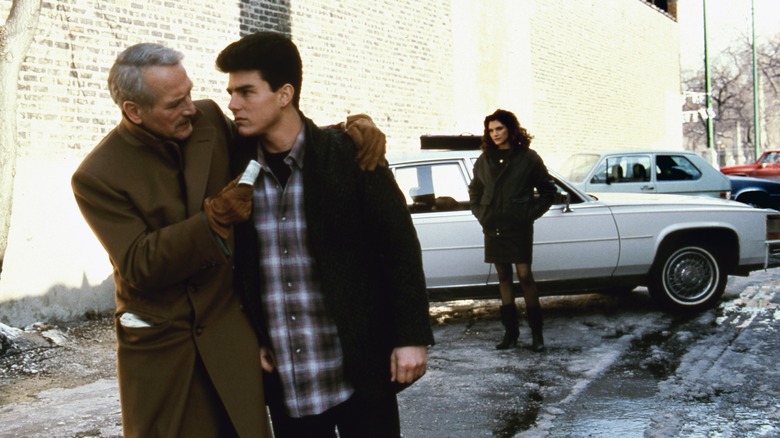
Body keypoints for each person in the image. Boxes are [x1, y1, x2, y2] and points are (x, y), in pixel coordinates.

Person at [71, 43, 386, 437]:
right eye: (175, 103)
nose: (191, 106)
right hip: (165, 347)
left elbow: (276, 137)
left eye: (189, 93)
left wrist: (348, 132)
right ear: (134, 111)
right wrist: (213, 220)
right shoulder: (97, 176)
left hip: (229, 333)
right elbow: (139, 263)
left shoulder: (207, 119)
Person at [216, 31, 434, 437]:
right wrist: (255, 335)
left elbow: (399, 249)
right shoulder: (234, 166)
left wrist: (411, 337)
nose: (233, 104)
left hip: (357, 368)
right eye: (230, 92)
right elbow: (242, 268)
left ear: (284, 94)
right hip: (287, 378)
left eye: (246, 92)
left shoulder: (350, 156)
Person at [468, 109, 556, 352]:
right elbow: (474, 190)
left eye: (500, 129)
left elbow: (549, 192)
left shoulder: (528, 158)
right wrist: (481, 213)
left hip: (518, 226)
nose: (495, 134)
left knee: (525, 275)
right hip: (493, 225)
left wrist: (528, 214)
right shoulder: (484, 159)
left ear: (510, 129)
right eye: (491, 130)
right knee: (503, 276)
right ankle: (511, 334)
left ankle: (537, 334)